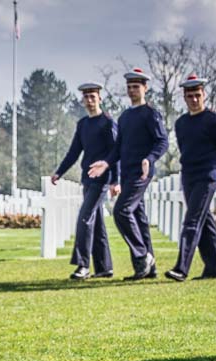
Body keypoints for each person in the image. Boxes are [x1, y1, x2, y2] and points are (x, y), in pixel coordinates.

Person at [88, 67, 168, 280]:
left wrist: (149, 159)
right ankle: (147, 269)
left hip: (142, 173)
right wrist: (106, 163)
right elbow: (118, 148)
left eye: (136, 87)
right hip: (127, 173)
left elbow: (162, 141)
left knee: (121, 211)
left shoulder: (151, 114)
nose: (132, 90)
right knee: (139, 218)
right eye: (129, 87)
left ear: (145, 88)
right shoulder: (124, 117)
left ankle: (142, 255)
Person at [165, 74, 216, 282]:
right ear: (184, 98)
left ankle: (181, 268)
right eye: (189, 96)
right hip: (190, 176)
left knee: (192, 220)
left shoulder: (214, 120)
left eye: (197, 95)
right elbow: (186, 149)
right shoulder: (181, 123)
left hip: (208, 174)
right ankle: (215, 268)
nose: (194, 99)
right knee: (204, 221)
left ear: (203, 95)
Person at [51, 82, 118, 280]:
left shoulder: (108, 122)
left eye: (93, 97)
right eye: (86, 97)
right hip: (87, 179)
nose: (89, 101)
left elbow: (116, 153)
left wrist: (116, 181)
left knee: (84, 218)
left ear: (100, 99)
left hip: (102, 179)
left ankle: (83, 265)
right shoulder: (83, 124)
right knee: (96, 223)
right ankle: (105, 267)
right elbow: (74, 152)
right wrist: (59, 172)